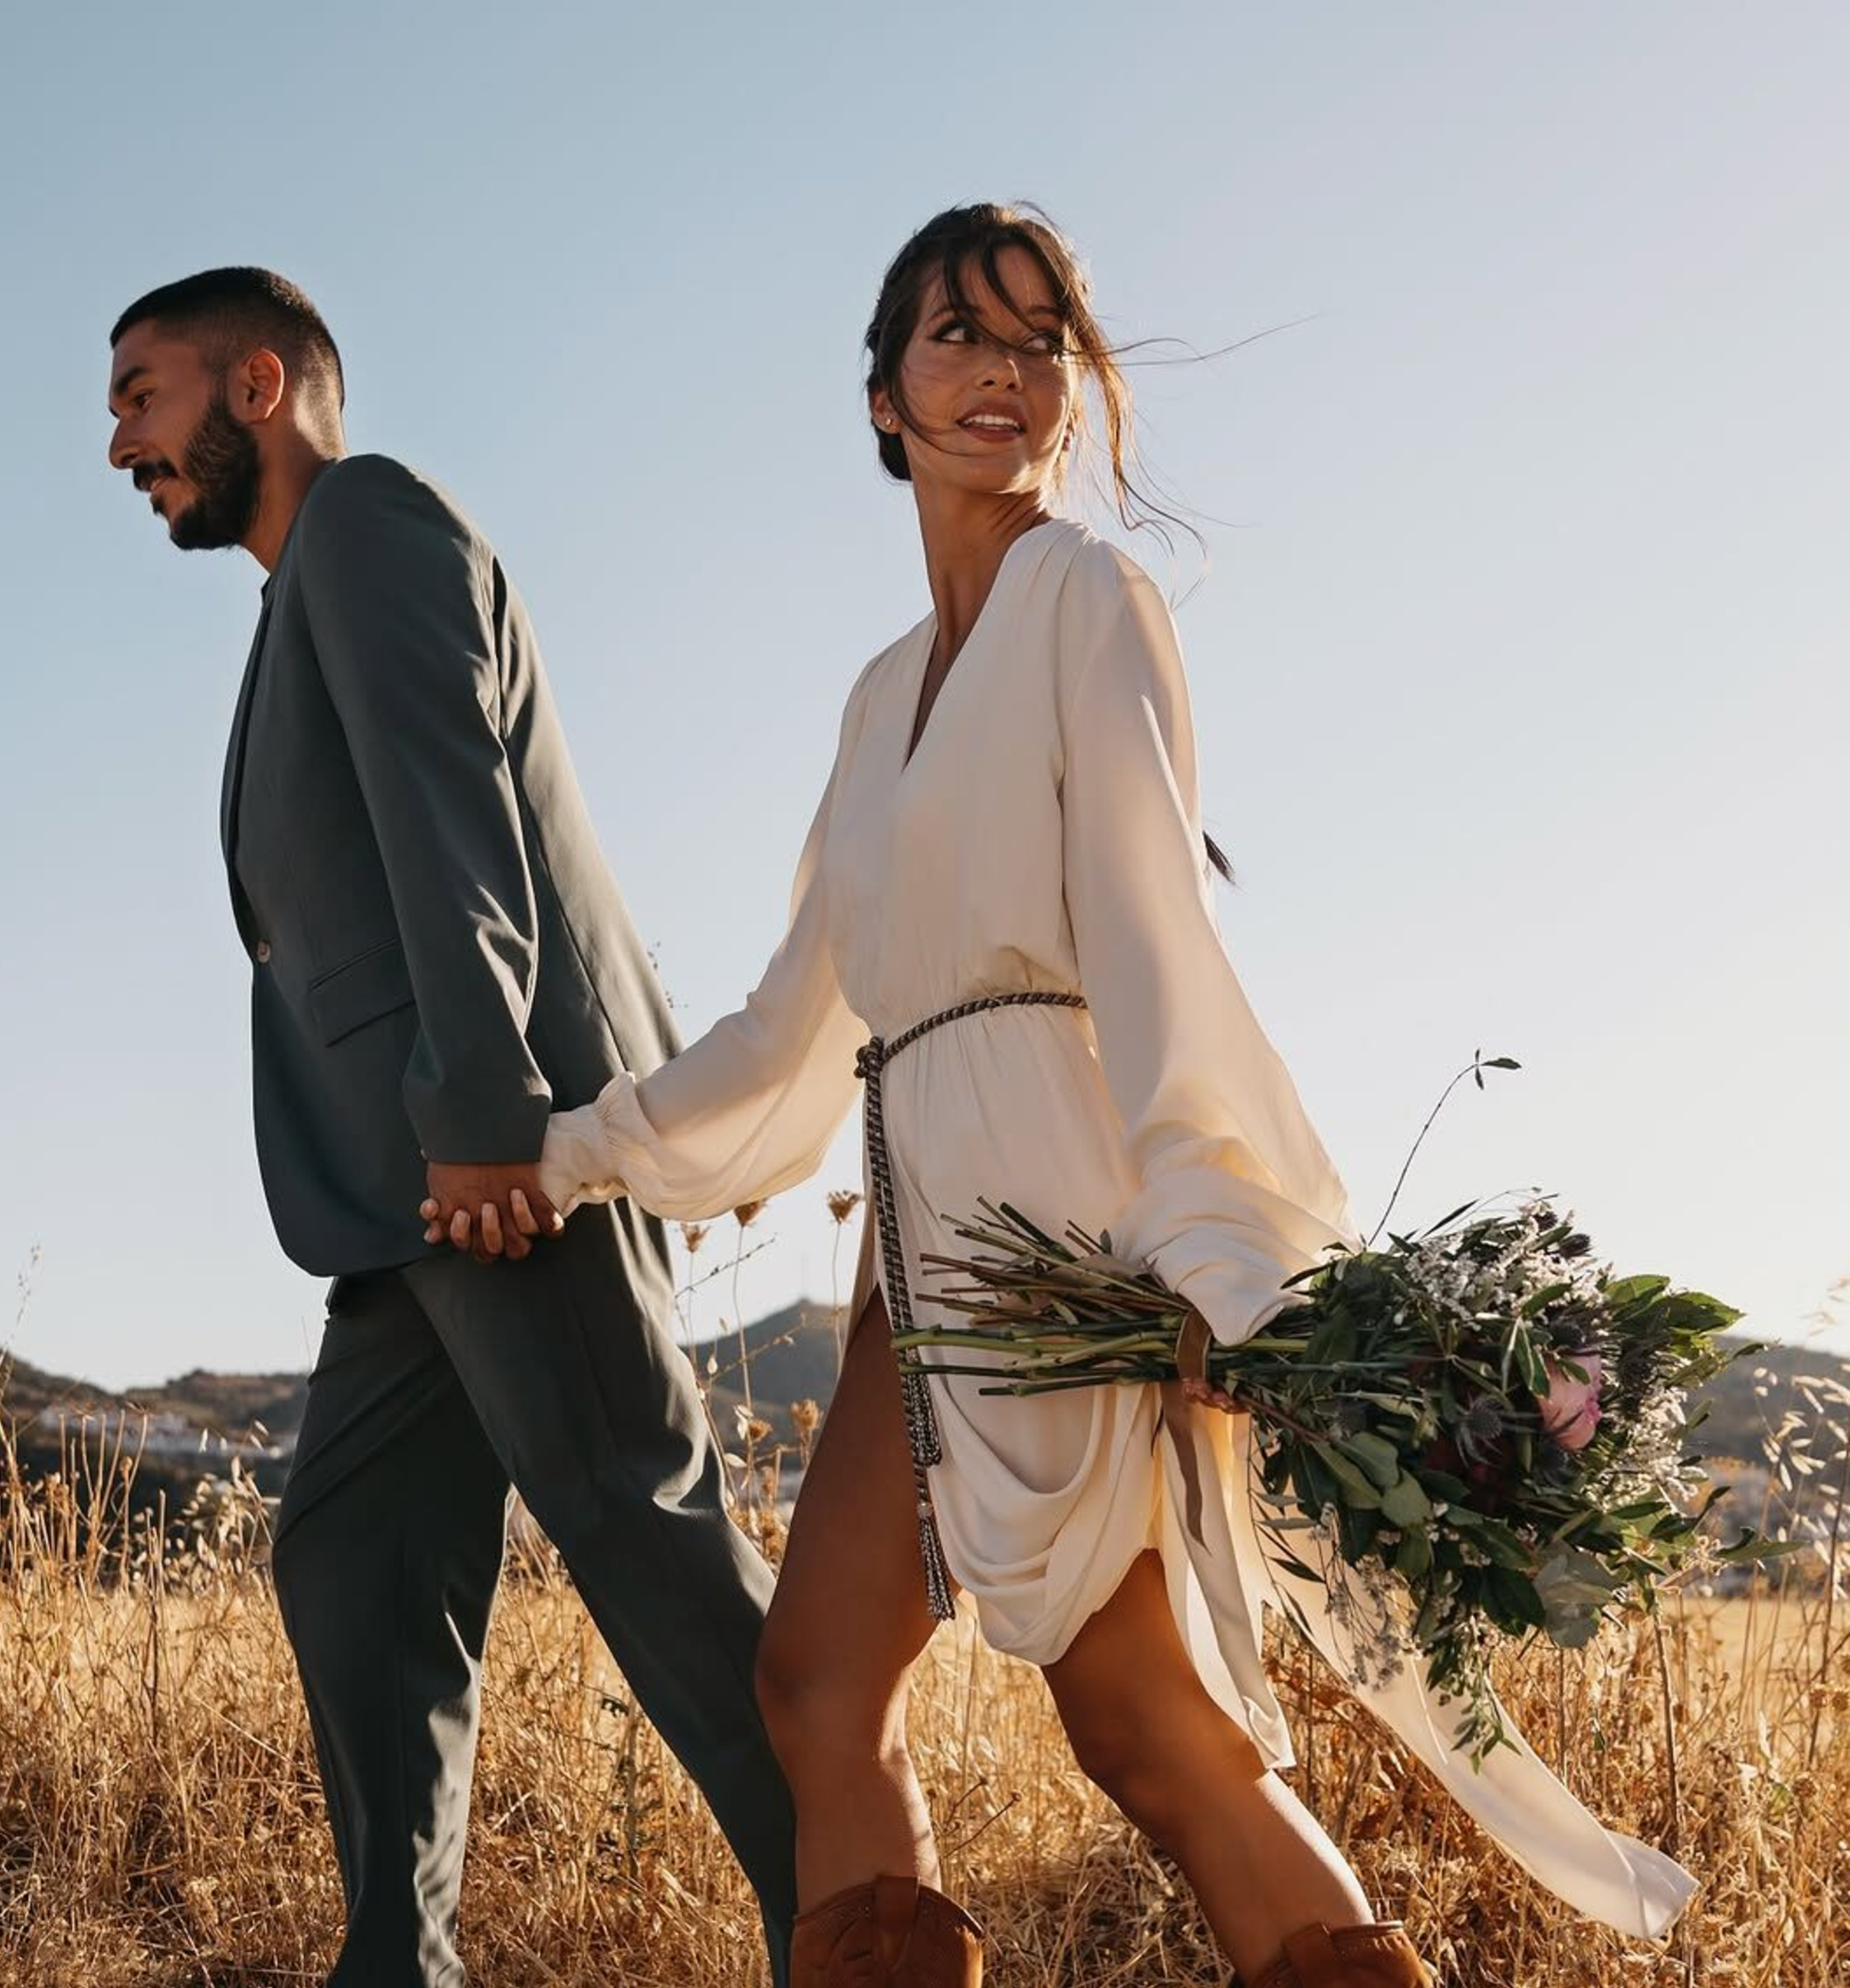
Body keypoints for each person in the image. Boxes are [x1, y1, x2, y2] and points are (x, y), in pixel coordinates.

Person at [424, 204, 1698, 1988]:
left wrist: (1202, 1237)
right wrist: (559, 1163)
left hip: (1059, 1215)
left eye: (1040, 342)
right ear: (882, 394)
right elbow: (795, 1024)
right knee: (816, 1685)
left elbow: (1155, 924)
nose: (1003, 376)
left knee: (1143, 1730)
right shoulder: (878, 700)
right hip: (917, 1236)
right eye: (960, 335)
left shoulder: (1087, 599)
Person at [105, 267, 798, 1987]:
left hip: (493, 1168)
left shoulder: (366, 526)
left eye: (142, 396)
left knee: (655, 1555)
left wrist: (487, 1121)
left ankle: (858, 1916)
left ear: (256, 384)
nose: (121, 442)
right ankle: (395, 1970)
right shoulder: (298, 599)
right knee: (351, 1549)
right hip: (410, 1199)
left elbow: (451, 813)